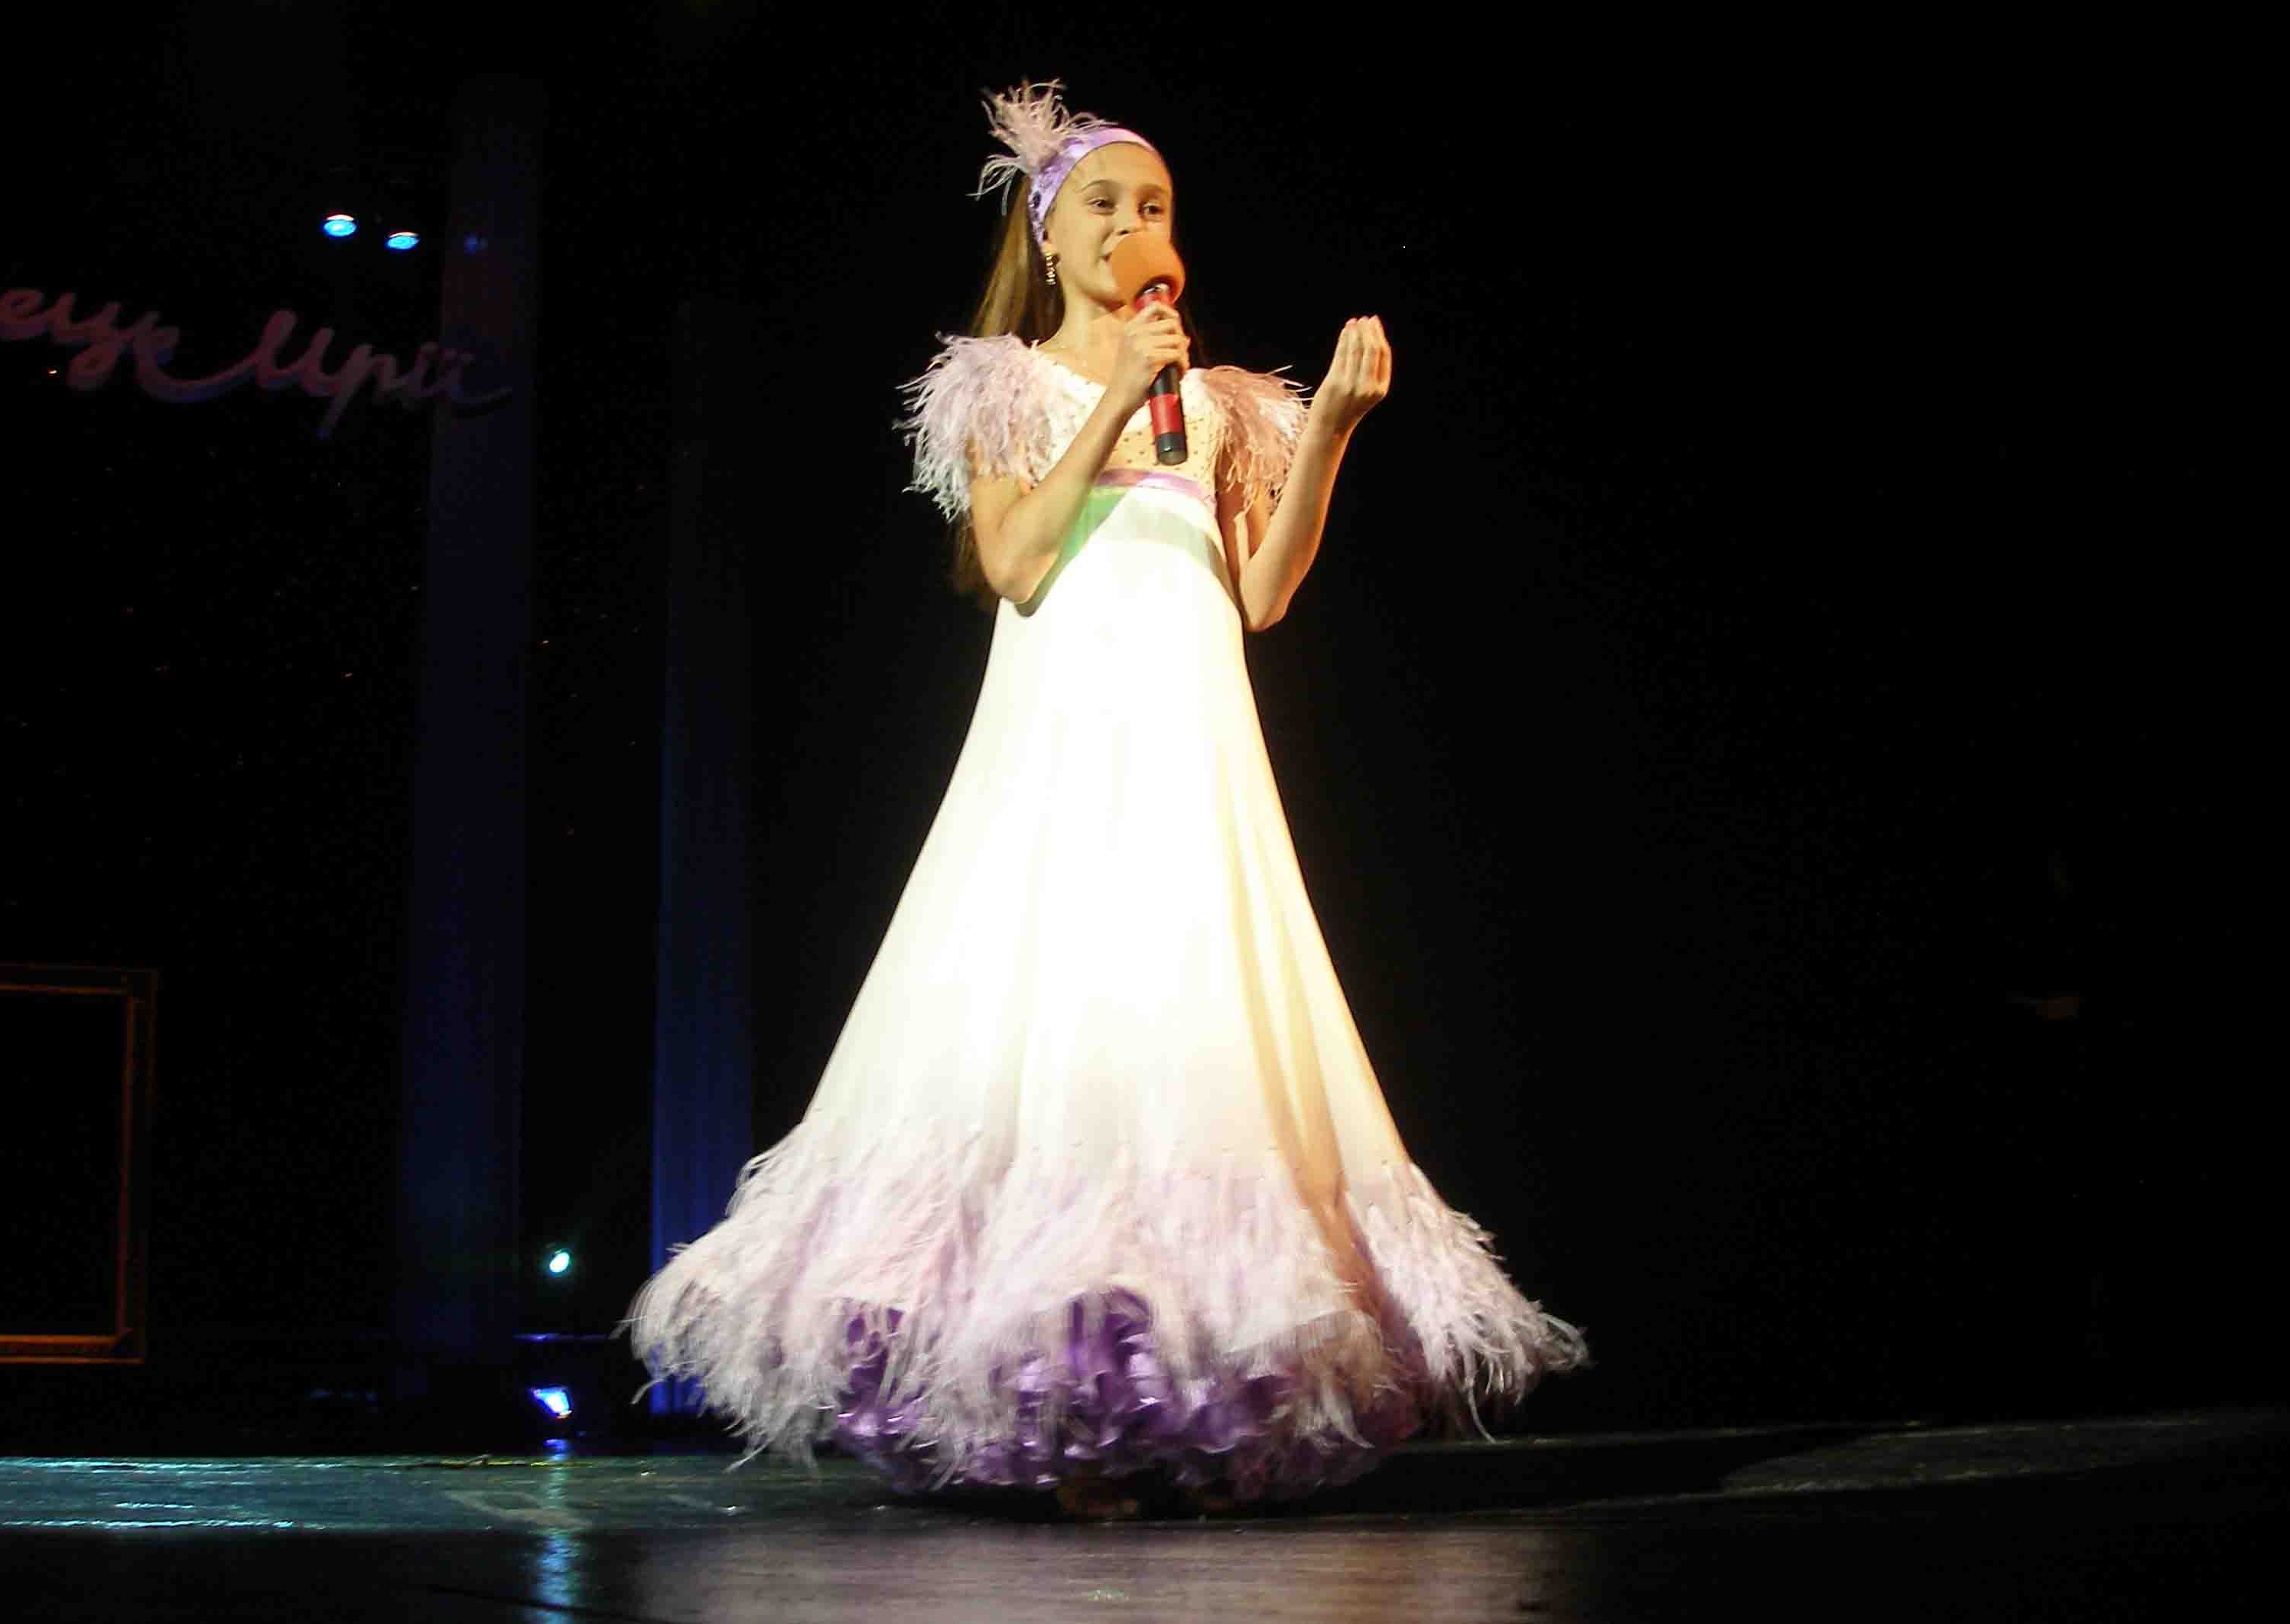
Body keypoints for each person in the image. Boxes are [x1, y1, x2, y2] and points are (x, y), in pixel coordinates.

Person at [622, 80, 1586, 1519]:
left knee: (1190, 1030)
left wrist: (1325, 428)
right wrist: (1116, 397)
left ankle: (1202, 1410)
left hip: (1194, 766)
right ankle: (1054, 1419)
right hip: (1062, 763)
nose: (1138, 227)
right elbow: (1015, 562)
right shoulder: (1004, 387)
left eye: (1157, 207)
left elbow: (1260, 594)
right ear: (1053, 239)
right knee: (1057, 1022)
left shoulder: (1218, 406)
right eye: (1108, 206)